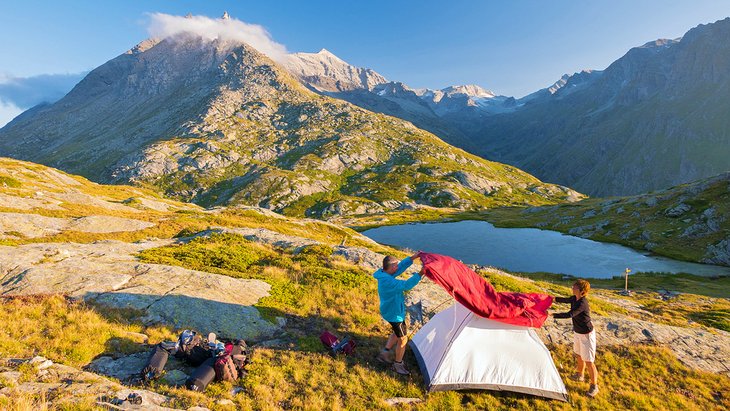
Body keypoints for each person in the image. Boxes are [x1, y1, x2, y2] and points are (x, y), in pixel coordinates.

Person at [373, 252, 422, 375]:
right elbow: (406, 285)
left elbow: (400, 267)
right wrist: (421, 273)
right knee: (403, 339)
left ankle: (385, 352)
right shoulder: (388, 282)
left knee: (396, 332)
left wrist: (413, 258)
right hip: (395, 314)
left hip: (390, 310)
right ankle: (398, 364)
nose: (397, 267)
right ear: (389, 268)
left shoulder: (384, 273)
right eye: (395, 266)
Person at [552, 279, 599, 397]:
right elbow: (564, 300)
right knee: (579, 355)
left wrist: (553, 315)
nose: (572, 287)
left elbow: (570, 314)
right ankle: (580, 375)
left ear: (582, 291)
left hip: (586, 335)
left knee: (589, 361)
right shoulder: (574, 298)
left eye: (575, 287)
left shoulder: (583, 303)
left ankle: (594, 386)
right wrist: (551, 298)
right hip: (578, 332)